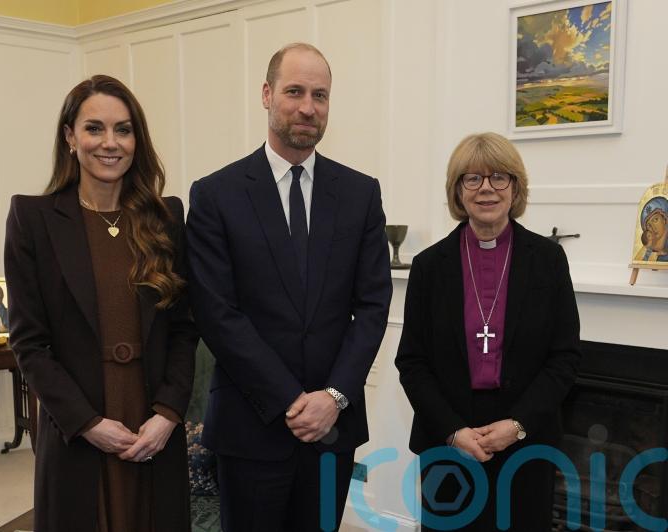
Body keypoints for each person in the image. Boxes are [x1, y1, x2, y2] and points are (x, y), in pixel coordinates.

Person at [186, 43, 392, 531]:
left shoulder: (360, 193)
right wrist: (290, 400)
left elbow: (373, 305)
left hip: (332, 430)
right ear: (267, 94)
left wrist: (333, 397)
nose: (307, 107)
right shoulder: (216, 194)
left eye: (320, 95)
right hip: (250, 425)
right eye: (294, 91)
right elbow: (216, 312)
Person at [4, 74, 197, 532]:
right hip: (78, 427)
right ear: (70, 137)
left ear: (136, 140)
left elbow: (185, 328)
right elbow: (29, 344)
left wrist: (168, 414)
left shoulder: (166, 217)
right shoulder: (33, 219)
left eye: (123, 130)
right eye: (94, 128)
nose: (110, 143)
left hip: (153, 423)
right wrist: (88, 423)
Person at [395, 132, 581, 530]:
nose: (486, 188)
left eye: (499, 177)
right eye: (472, 178)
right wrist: (453, 431)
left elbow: (564, 357)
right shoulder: (429, 266)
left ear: (515, 187)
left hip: (526, 439)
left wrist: (517, 425)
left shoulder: (548, 260)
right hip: (449, 441)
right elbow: (412, 362)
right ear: (457, 190)